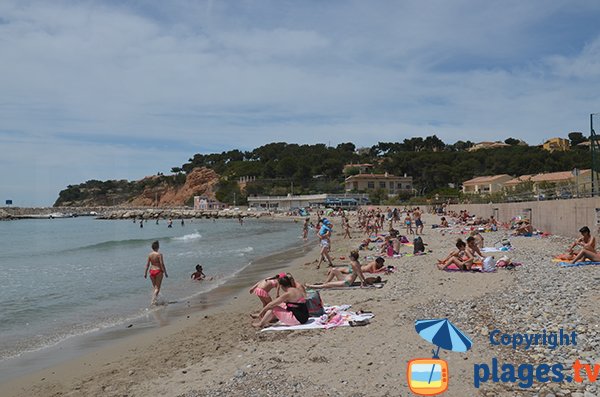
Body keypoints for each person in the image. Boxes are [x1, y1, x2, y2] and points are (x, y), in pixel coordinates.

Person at [144, 241, 168, 305]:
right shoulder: (159, 254)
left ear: (152, 247)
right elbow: (162, 263)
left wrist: (145, 273)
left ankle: (156, 301)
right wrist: (165, 272)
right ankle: (153, 300)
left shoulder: (150, 255)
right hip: (158, 271)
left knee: (155, 288)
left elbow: (147, 265)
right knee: (157, 288)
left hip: (151, 272)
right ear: (158, 247)